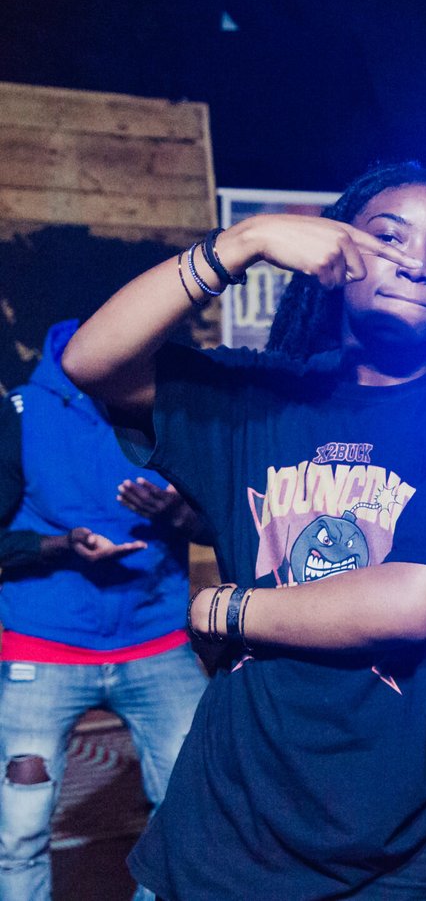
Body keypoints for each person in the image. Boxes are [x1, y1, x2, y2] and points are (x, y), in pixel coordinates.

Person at [60, 161, 426, 899]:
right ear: (334, 250)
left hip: (400, 847)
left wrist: (227, 608)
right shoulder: (260, 395)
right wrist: (242, 242)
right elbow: (92, 360)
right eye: (389, 237)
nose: (417, 262)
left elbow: (410, 601)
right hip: (223, 834)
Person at [0, 320, 208, 901]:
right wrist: (60, 546)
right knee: (18, 832)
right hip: (45, 645)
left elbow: (219, 524)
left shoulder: (167, 411)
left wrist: (176, 515)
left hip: (157, 642)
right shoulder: (23, 413)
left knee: (194, 813)